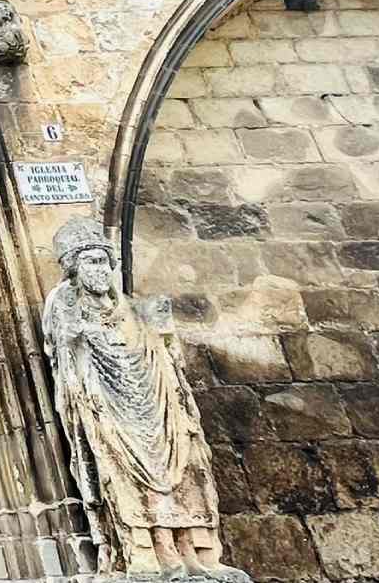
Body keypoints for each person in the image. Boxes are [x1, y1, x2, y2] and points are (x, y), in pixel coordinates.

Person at [42, 218, 246, 581]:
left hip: (158, 406)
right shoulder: (66, 308)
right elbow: (67, 352)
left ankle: (192, 550)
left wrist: (161, 334)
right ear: (74, 269)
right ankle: (143, 550)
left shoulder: (135, 311)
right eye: (90, 261)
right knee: (120, 473)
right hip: (110, 411)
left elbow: (166, 357)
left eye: (104, 261)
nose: (100, 269)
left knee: (186, 468)